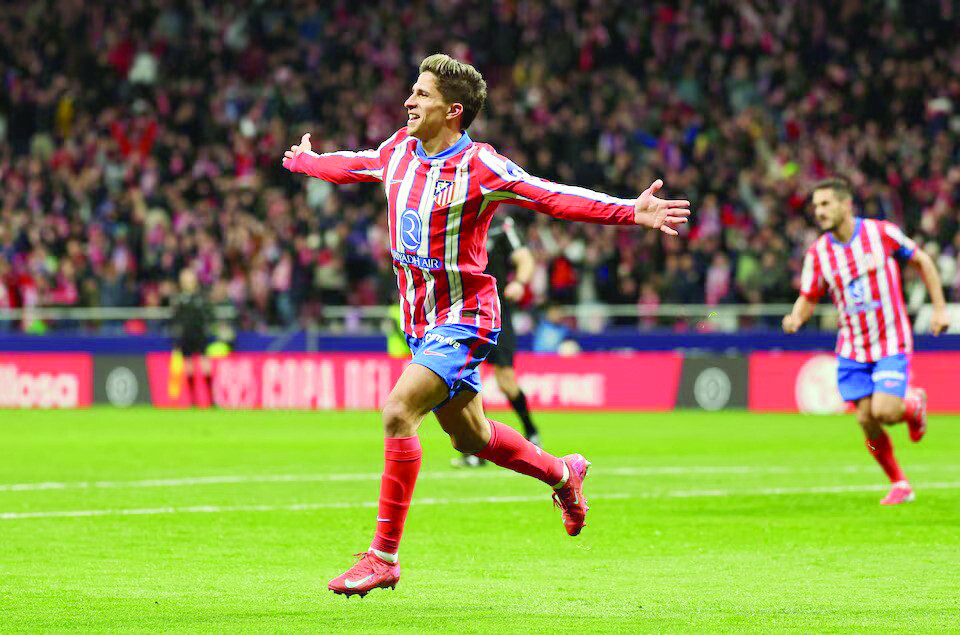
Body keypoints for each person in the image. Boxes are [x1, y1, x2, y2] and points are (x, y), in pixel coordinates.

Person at [282, 53, 691, 598]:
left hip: (466, 316)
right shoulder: (399, 151)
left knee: (398, 410)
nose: (408, 101)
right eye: (412, 91)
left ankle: (383, 557)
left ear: (452, 111)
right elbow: (354, 164)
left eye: (421, 95)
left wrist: (627, 211)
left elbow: (551, 195)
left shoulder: (483, 167)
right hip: (420, 322)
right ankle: (563, 474)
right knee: (469, 436)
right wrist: (308, 162)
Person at [782, 177, 949, 505]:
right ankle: (900, 483)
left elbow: (923, 261)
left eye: (826, 203)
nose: (819, 211)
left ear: (847, 205)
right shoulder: (818, 254)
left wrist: (940, 309)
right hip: (852, 346)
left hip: (889, 339)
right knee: (864, 418)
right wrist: (795, 317)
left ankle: (913, 404)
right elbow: (809, 295)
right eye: (816, 206)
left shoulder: (880, 233)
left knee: (885, 411)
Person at [452, 215, 540, 469]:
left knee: (506, 381)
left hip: (495, 311)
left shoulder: (502, 226)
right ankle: (477, 448)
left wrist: (520, 283)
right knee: (466, 380)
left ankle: (531, 431)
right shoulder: (455, 221)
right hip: (462, 313)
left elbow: (524, 258)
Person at [169, 268, 215, 407]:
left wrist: (208, 330)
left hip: (200, 336)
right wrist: (176, 339)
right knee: (188, 367)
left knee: (206, 366)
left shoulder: (201, 298)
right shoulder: (179, 300)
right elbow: (175, 320)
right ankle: (193, 399)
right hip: (186, 337)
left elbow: (209, 316)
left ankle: (210, 399)